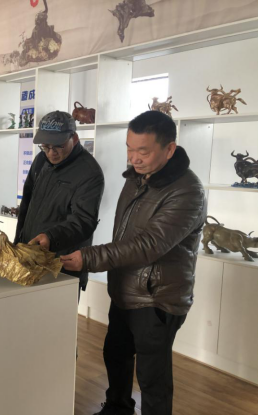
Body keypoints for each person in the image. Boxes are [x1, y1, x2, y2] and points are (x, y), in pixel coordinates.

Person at [61, 111, 207, 416]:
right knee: (115, 355)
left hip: (157, 297)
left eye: (143, 151)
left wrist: (88, 258)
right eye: (129, 148)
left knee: (152, 378)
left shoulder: (188, 190)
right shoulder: (137, 179)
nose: (134, 158)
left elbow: (149, 244)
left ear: (169, 149)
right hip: (125, 289)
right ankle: (117, 408)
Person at [15, 111, 105, 294]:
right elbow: (26, 206)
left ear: (75, 138)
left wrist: (51, 237)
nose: (51, 152)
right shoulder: (41, 160)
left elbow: (83, 221)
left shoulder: (89, 172)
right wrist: (18, 244)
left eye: (58, 146)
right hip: (29, 259)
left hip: (62, 268)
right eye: (45, 146)